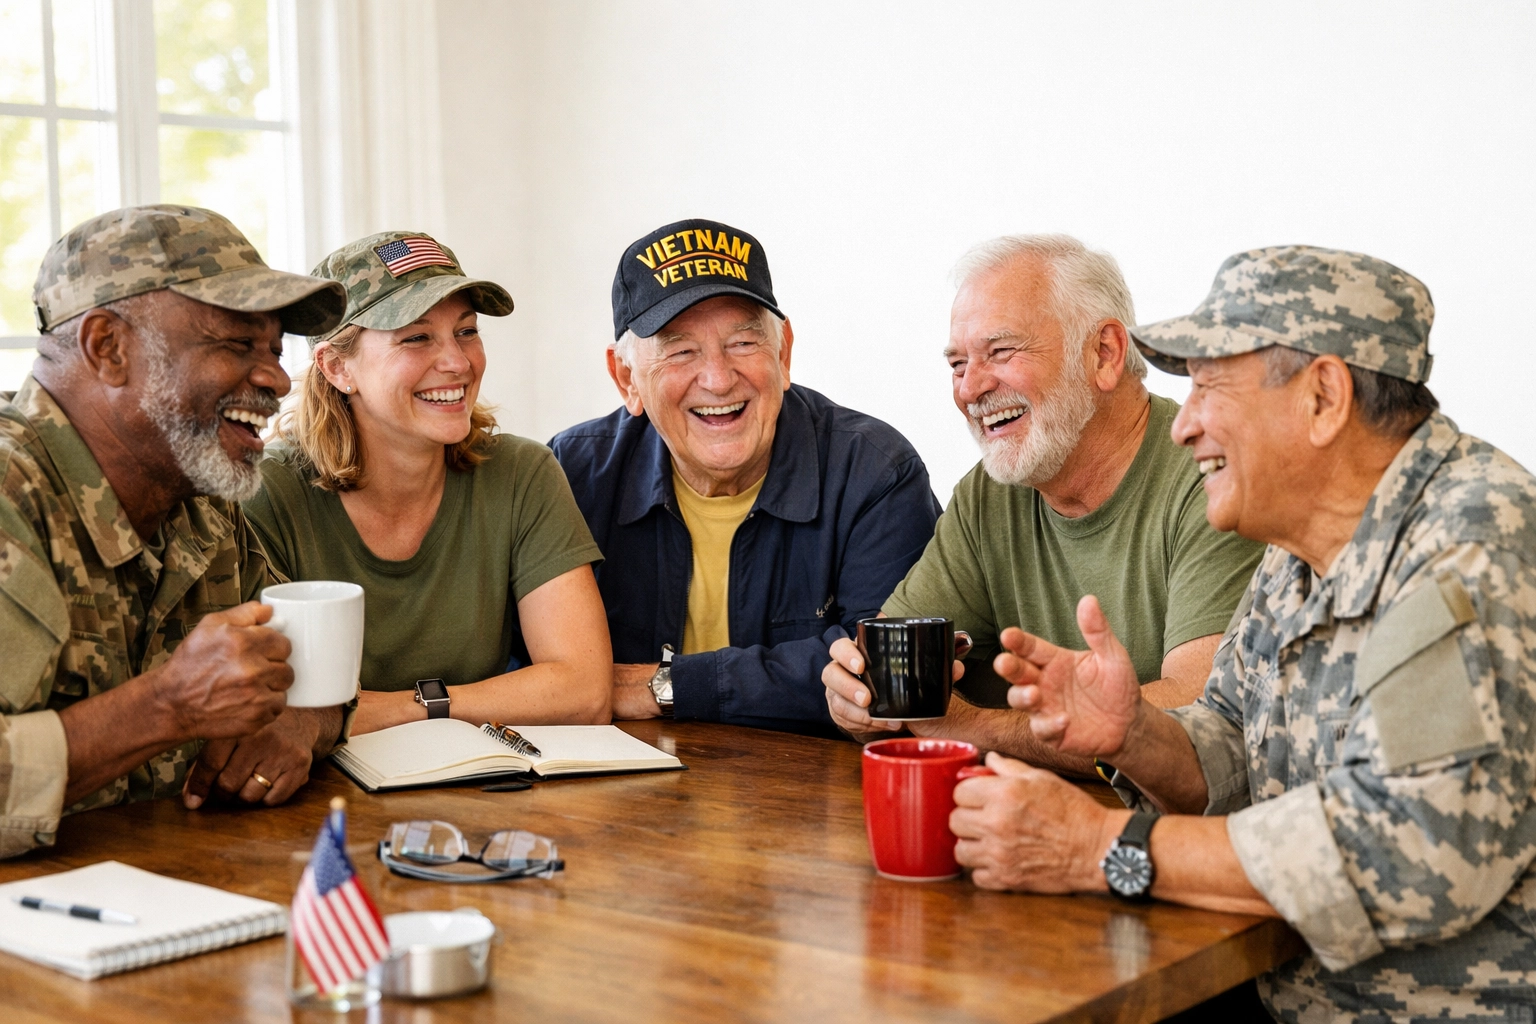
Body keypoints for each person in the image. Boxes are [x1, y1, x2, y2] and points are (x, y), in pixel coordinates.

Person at [949, 245, 1536, 1020]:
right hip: (1276, 995)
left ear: (1323, 397)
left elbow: (1400, 849)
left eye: (1208, 388)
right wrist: (1130, 733)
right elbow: (1231, 748)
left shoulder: (1473, 546)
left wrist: (1098, 848)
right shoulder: (1299, 548)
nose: (1182, 426)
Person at [822, 235, 1263, 775]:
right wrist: (855, 693)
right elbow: (887, 667)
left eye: (1001, 351)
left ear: (1104, 353)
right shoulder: (988, 495)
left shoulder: (1211, 472)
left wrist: (974, 728)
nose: (969, 388)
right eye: (958, 364)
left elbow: (1203, 719)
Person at [0, 204, 351, 858]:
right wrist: (166, 707)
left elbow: (315, 682)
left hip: (185, 904)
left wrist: (301, 722)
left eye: (275, 349)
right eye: (237, 344)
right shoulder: (11, 495)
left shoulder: (199, 493)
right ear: (108, 347)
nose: (277, 377)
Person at [551, 219, 941, 735]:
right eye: (680, 349)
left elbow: (888, 680)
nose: (717, 378)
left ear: (782, 356)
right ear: (627, 378)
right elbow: (520, 669)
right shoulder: (570, 476)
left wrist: (665, 686)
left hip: (810, 801)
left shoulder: (874, 471)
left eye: (742, 343)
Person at [244, 231, 610, 735]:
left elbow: (583, 692)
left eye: (466, 331)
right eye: (416, 337)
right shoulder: (266, 492)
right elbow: (266, 709)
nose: (458, 363)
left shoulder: (522, 474)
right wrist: (490, 702)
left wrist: (408, 708)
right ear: (336, 366)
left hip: (483, 791)